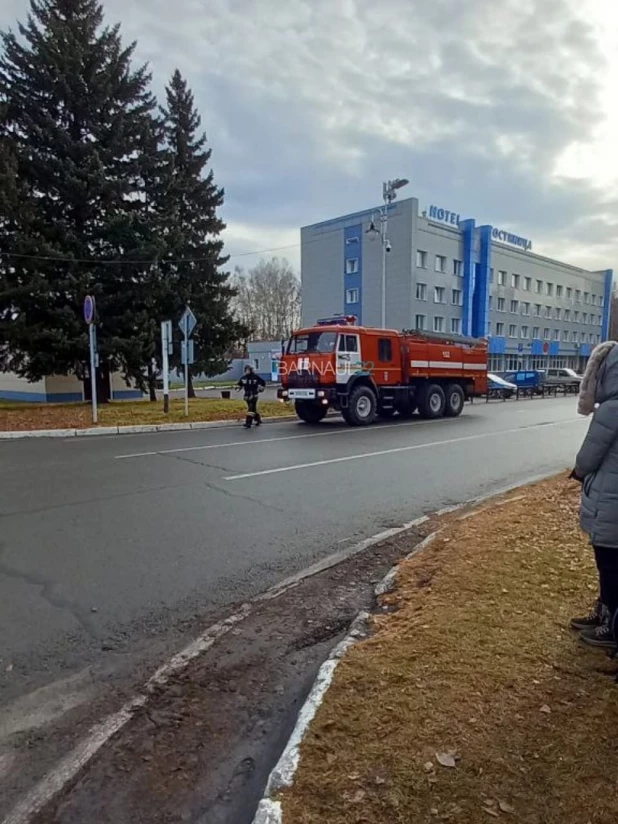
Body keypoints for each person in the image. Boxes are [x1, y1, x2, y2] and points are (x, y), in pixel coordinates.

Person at [570, 340, 618, 649]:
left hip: (612, 501)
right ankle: (606, 616)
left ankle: (609, 625)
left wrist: (578, 471)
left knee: (609, 562)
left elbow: (589, 455)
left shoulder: (613, 407)